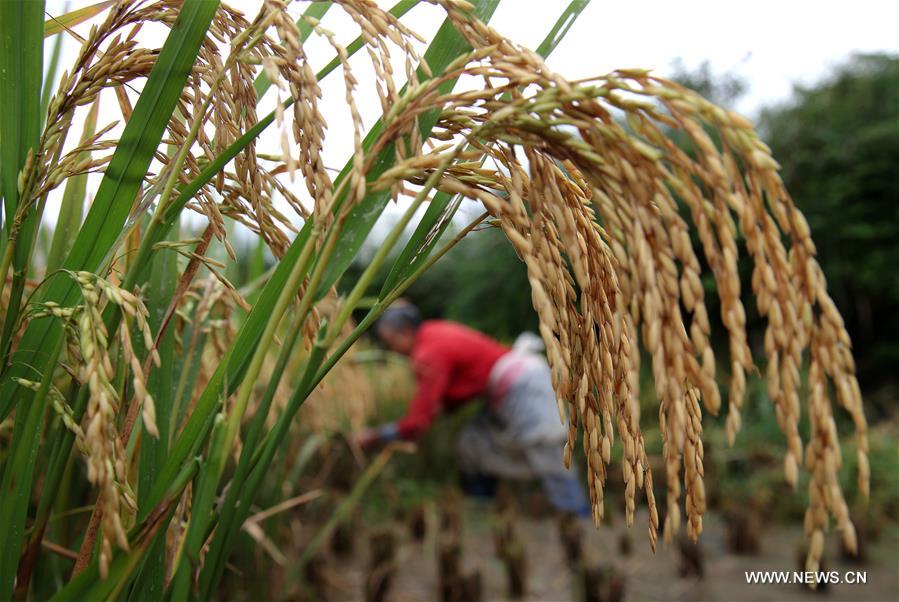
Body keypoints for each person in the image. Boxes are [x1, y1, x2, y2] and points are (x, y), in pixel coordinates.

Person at [354, 303, 590, 515]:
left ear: (405, 333)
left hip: (523, 388)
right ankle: (482, 507)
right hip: (510, 386)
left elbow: (418, 422)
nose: (392, 351)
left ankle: (578, 518)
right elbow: (449, 399)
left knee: (546, 450)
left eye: (390, 342)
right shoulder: (434, 330)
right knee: (472, 443)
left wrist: (377, 435)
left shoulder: (427, 354)